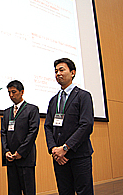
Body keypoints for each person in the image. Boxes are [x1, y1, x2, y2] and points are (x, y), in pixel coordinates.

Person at [44, 58, 94, 195]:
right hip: (59, 158)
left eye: (61, 70)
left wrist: (66, 148)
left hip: (79, 156)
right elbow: (48, 126)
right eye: (55, 71)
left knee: (84, 192)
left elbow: (86, 125)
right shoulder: (54, 100)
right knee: (64, 192)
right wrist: (54, 149)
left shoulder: (83, 96)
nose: (58, 74)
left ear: (72, 73)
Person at [1, 80, 40, 195]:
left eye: (14, 92)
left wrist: (21, 152)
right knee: (13, 191)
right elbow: (3, 133)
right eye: (9, 92)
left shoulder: (32, 109)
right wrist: (6, 151)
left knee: (28, 190)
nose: (11, 95)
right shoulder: (7, 112)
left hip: (25, 158)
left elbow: (33, 132)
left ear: (22, 92)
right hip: (11, 159)